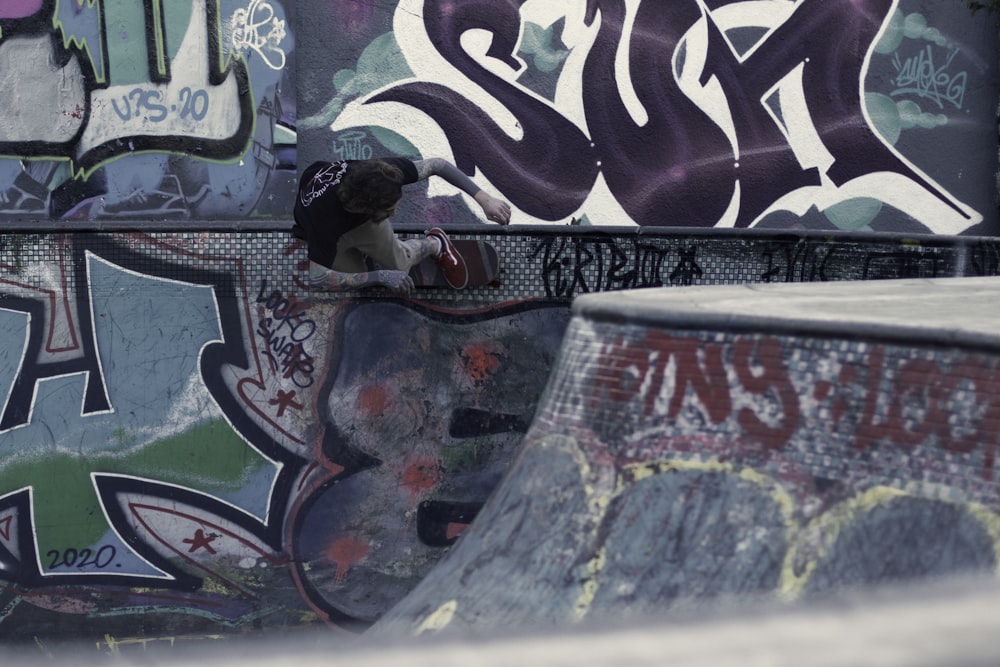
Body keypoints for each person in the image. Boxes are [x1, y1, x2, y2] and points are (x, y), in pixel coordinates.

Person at [292, 156, 511, 294]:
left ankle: (436, 243)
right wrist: (379, 277)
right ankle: (370, 258)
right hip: (329, 227)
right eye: (388, 211)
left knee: (399, 266)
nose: (394, 213)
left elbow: (437, 165)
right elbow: (317, 279)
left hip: (342, 216)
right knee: (355, 281)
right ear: (366, 207)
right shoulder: (326, 223)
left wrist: (484, 199)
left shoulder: (381, 172)